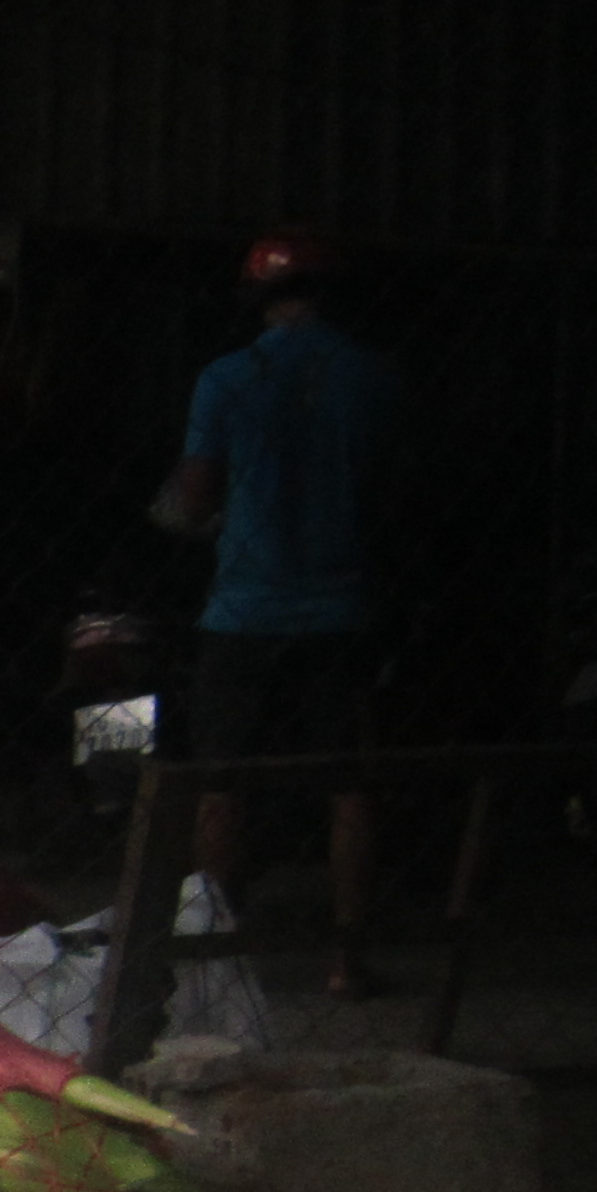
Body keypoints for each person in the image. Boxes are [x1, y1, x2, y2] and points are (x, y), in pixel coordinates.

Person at [154, 228, 402, 994]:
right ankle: (345, 960)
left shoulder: (227, 379)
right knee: (348, 785)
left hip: (242, 610)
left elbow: (195, 500)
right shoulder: (370, 377)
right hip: (338, 608)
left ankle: (217, 962)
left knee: (222, 780)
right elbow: (390, 493)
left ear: (255, 299)